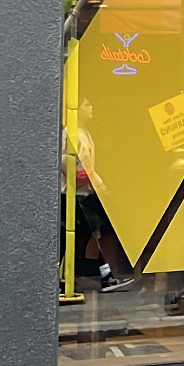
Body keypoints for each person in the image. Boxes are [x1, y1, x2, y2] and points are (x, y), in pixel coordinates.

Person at [71, 97, 133, 292]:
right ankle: (104, 276)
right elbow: (77, 164)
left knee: (87, 233)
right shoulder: (73, 134)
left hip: (84, 191)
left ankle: (79, 276)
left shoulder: (84, 133)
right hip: (79, 192)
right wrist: (97, 182)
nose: (91, 108)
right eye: (86, 105)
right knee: (99, 231)